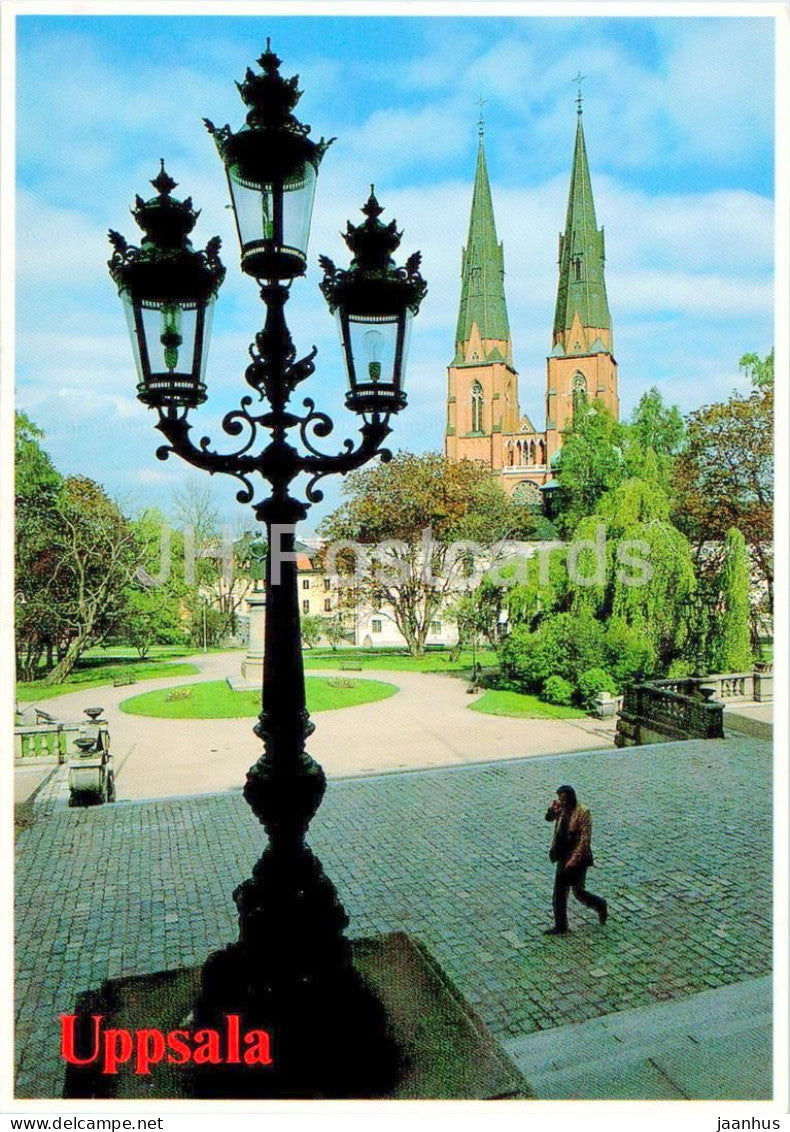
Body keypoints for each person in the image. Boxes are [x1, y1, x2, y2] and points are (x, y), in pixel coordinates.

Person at [544, 784, 607, 935]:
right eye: (560, 798)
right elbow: (549, 819)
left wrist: (573, 861)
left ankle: (600, 905)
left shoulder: (583, 812)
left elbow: (585, 841)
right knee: (559, 892)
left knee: (578, 892)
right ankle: (561, 926)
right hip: (563, 854)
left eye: (563, 799)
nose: (561, 801)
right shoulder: (562, 809)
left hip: (578, 858)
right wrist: (551, 811)